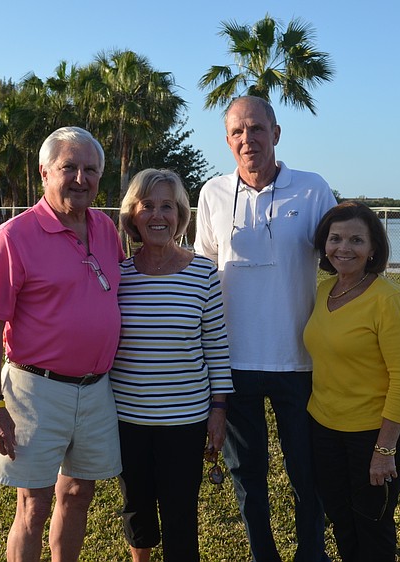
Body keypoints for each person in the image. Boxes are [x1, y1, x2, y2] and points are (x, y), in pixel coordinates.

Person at [194, 95, 400, 562]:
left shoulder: (312, 189)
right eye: (237, 131)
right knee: (247, 477)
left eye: (257, 128)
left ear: (276, 134)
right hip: (234, 364)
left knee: (309, 476)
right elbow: (203, 272)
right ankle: (265, 554)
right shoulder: (212, 193)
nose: (248, 139)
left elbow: (349, 248)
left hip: (299, 365)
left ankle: (311, 555)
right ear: (227, 140)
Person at [0, 126, 124, 562]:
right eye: (69, 168)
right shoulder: (14, 236)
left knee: (78, 494)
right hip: (35, 391)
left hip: (97, 391)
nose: (81, 178)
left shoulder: (104, 229)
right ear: (44, 172)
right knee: (33, 504)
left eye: (90, 169)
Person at [111, 168, 234, 562]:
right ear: (133, 215)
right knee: (137, 507)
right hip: (127, 417)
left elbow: (216, 347)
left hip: (186, 419)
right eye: (147, 206)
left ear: (181, 215)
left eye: (167, 206)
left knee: (181, 512)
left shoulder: (203, 274)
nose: (158, 215)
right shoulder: (118, 276)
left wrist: (218, 411)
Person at [304, 201, 400, 561]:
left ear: (373, 249)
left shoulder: (390, 300)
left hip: (372, 435)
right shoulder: (323, 291)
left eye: (356, 240)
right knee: (341, 520)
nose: (344, 248)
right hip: (323, 428)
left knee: (372, 525)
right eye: (335, 238)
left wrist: (385, 450)